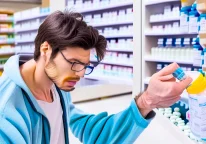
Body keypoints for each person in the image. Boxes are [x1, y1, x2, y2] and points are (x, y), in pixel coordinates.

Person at [0, 11, 192, 144]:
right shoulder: (7, 110)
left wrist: (147, 101)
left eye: (85, 66)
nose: (81, 73)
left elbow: (92, 132)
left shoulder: (56, 86)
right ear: (46, 49)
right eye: (74, 63)